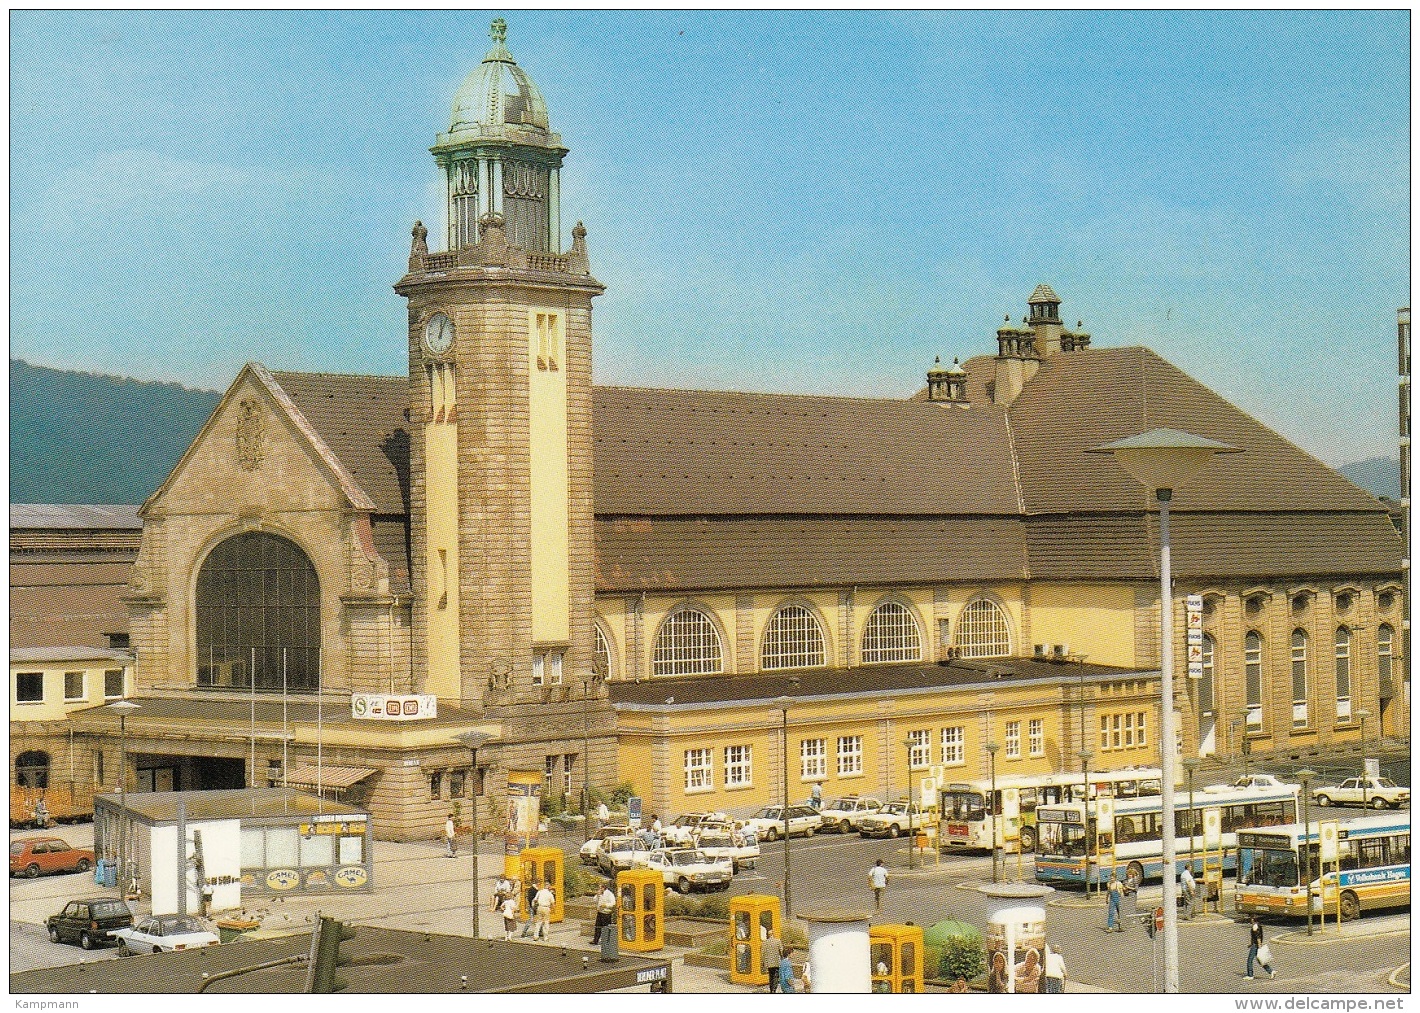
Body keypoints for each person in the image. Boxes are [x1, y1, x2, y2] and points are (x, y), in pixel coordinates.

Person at [1246, 915, 1275, 980]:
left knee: (1249, 960)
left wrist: (1259, 946)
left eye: (1251, 919)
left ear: (1253, 919)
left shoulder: (1255, 926)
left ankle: (1250, 975)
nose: (1250, 920)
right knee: (1260, 961)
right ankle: (1271, 971)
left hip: (1255, 945)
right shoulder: (1259, 925)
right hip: (1255, 945)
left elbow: (1258, 936)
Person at [593, 879, 617, 946]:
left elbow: (613, 903)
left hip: (606, 913)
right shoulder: (600, 894)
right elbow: (594, 900)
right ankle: (595, 940)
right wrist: (597, 895)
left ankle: (606, 941)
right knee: (597, 927)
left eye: (600, 888)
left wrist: (605, 905)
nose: (599, 889)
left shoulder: (609, 894)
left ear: (603, 888)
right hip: (600, 912)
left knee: (605, 928)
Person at [761, 928, 784, 993]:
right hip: (776, 962)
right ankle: (774, 990)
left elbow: (762, 953)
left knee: (771, 976)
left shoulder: (764, 942)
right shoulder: (778, 941)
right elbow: (781, 951)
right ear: (773, 934)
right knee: (776, 976)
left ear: (768, 935)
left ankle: (771, 990)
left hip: (768, 963)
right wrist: (782, 959)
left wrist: (762, 963)